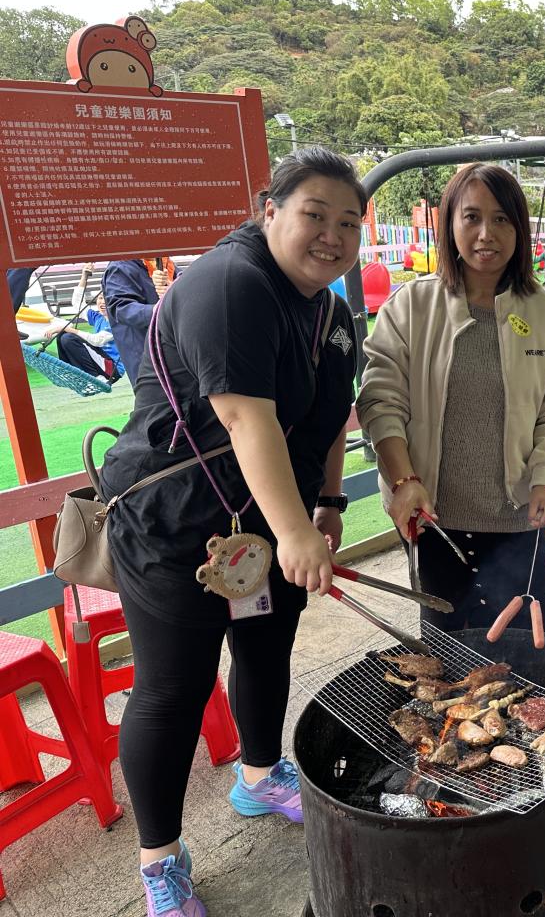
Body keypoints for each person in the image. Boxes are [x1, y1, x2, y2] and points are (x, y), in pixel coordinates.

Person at [97, 147, 364, 916]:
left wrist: (327, 506)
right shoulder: (231, 282)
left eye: (349, 222)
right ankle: (160, 861)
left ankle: (259, 776)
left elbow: (327, 420)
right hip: (173, 523)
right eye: (315, 214)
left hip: (259, 527)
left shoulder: (332, 313)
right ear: (268, 209)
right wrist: (295, 534)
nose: (333, 235)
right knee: (173, 688)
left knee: (264, 646)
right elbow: (247, 418)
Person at [358, 163, 545, 638]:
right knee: (446, 643)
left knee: (529, 639)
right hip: (431, 518)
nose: (487, 234)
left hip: (517, 515)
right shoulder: (411, 306)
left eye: (502, 219)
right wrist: (403, 480)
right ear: (450, 224)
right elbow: (381, 400)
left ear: (520, 229)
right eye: (472, 217)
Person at [50, 264, 124, 383]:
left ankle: (97, 377)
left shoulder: (118, 321)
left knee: (69, 337)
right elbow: (77, 304)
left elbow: (97, 340)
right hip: (100, 361)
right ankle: (71, 372)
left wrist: (68, 329)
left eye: (106, 299)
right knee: (62, 337)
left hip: (112, 370)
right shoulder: (98, 318)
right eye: (100, 298)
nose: (102, 302)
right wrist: (84, 276)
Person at [102, 258, 163, 387]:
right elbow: (122, 308)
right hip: (146, 357)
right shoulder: (120, 267)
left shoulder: (162, 262)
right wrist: (162, 310)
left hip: (170, 350)